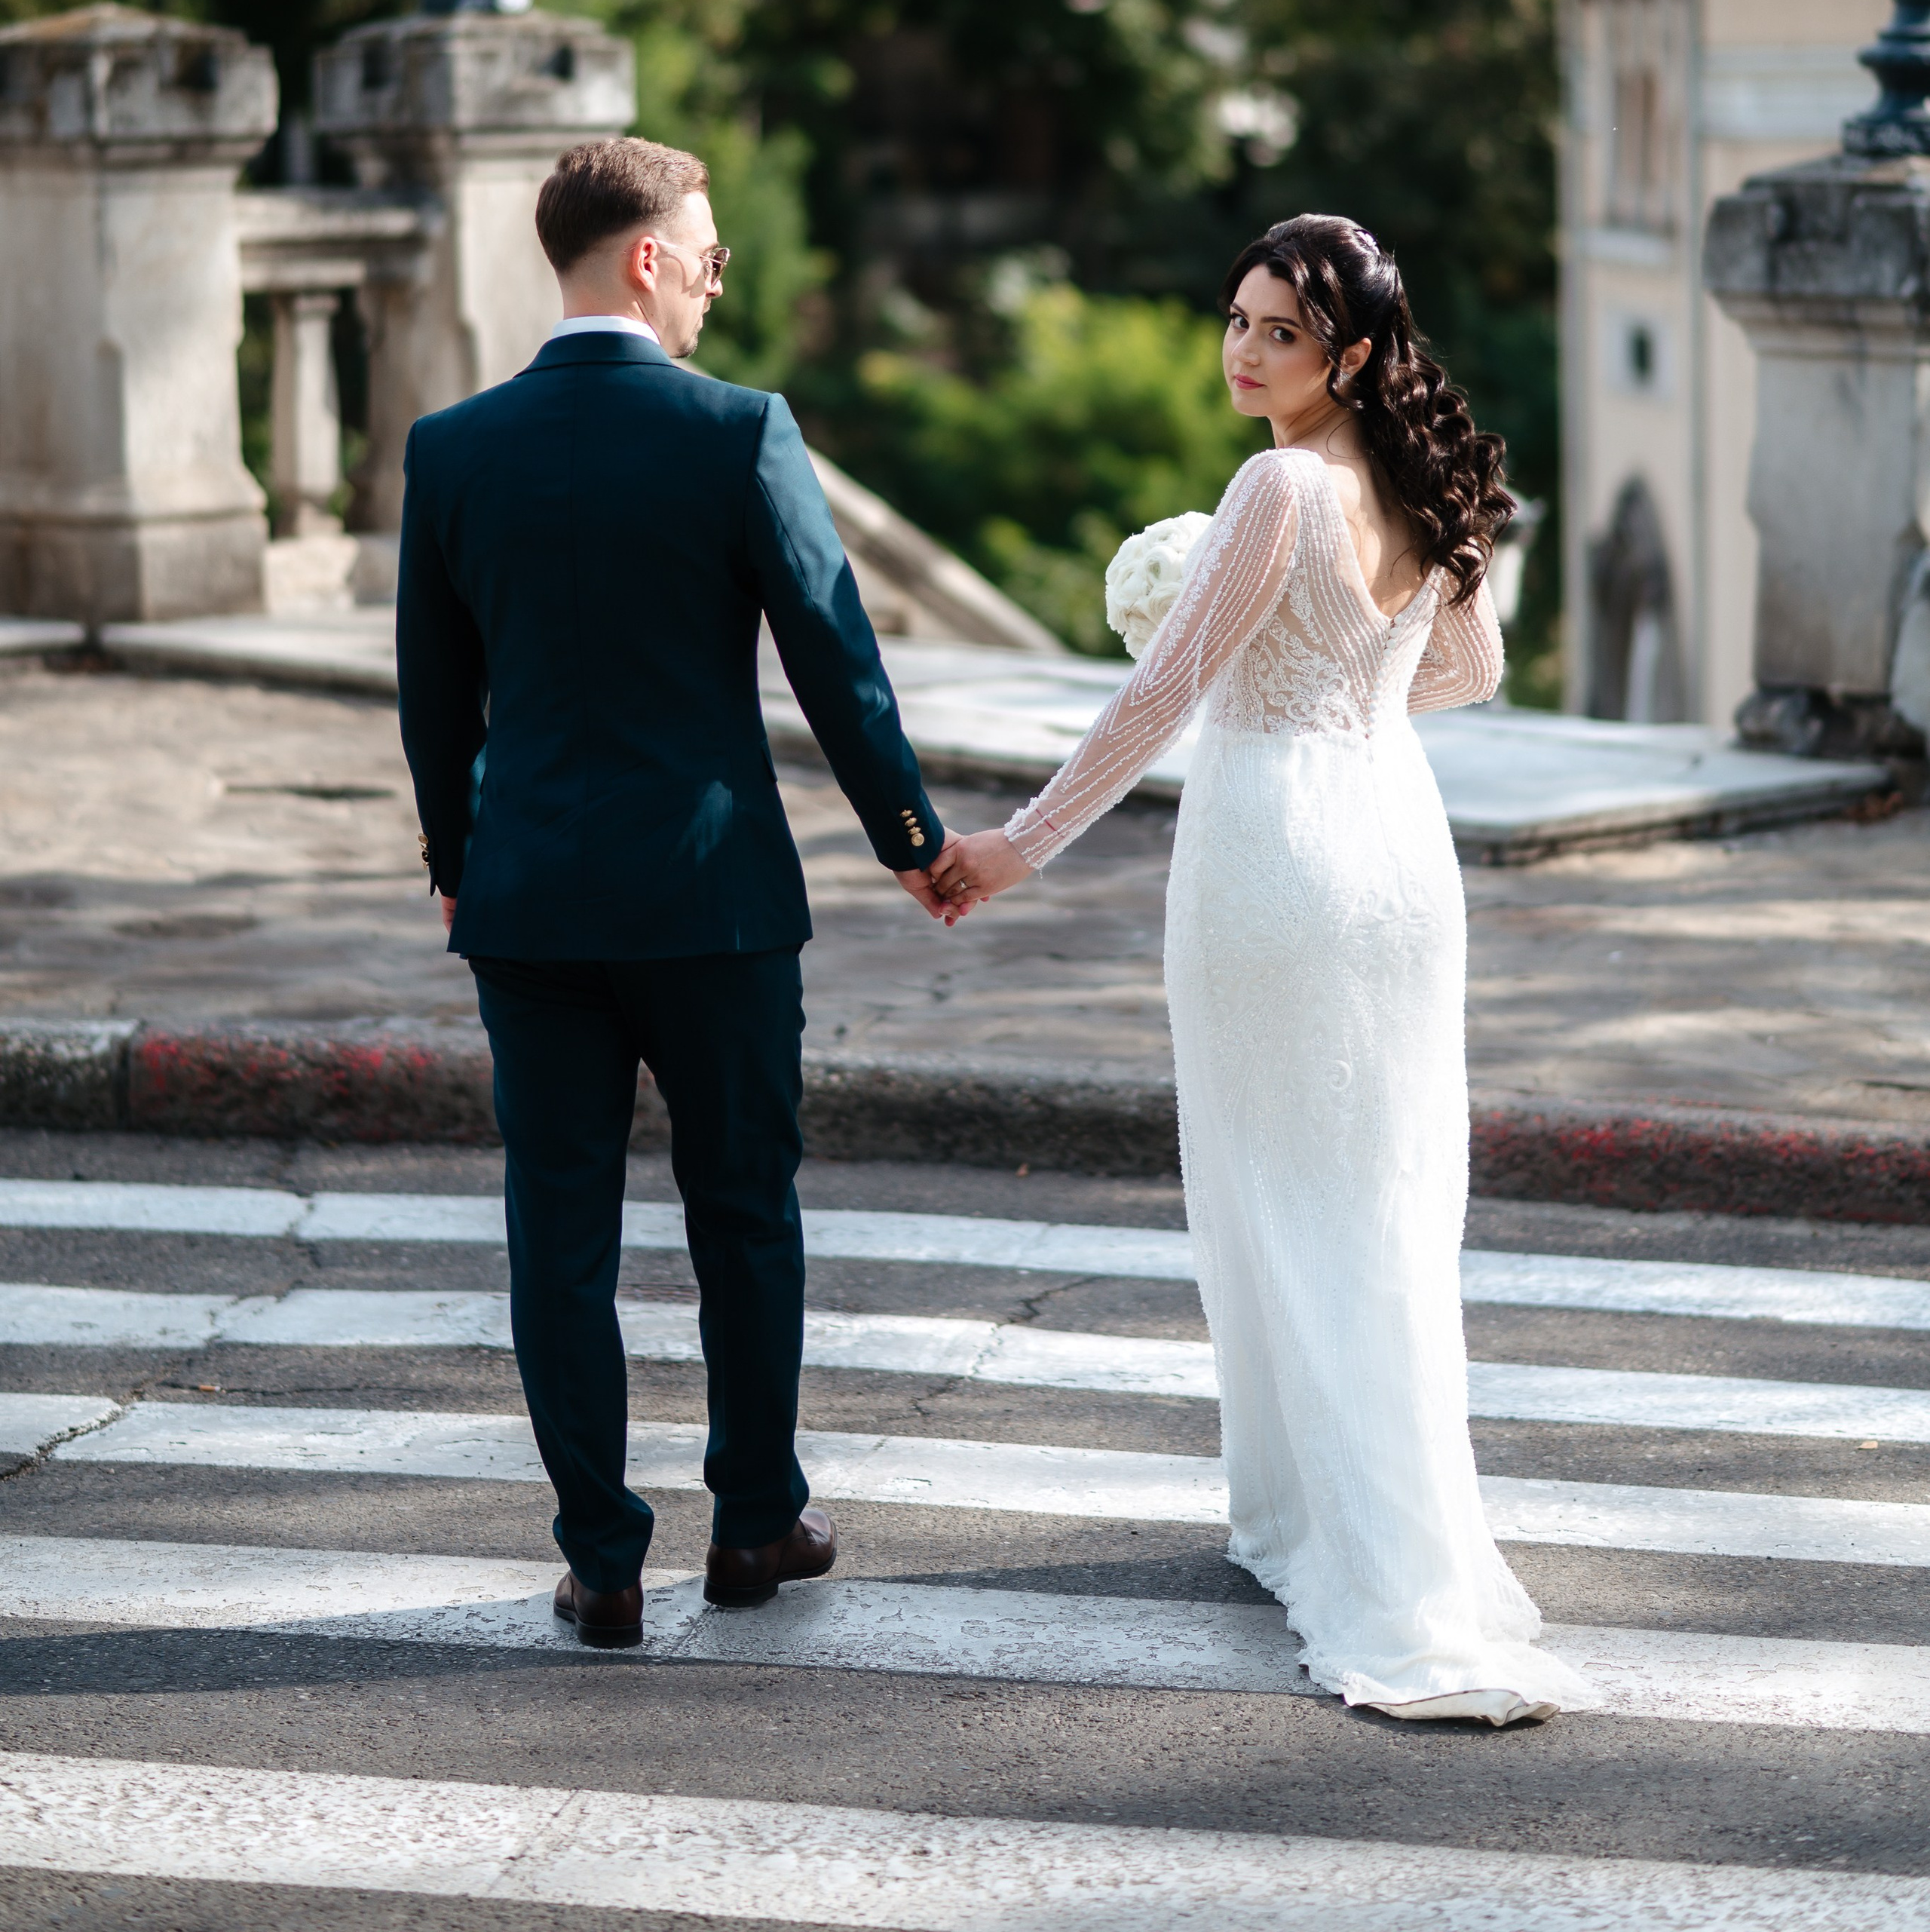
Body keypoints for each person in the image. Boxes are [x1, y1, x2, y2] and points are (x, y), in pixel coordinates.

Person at [929, 215, 1579, 1726]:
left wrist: (1020, 844)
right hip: (1392, 839)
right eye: (1232, 321)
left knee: (1282, 1187)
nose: (1240, 351)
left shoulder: (1278, 482)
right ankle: (1338, 1525)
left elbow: (1163, 695)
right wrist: (1341, 678)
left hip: (1277, 844)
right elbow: (1467, 671)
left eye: (1275, 332)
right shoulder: (1416, 481)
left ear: (1343, 354)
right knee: (1380, 1191)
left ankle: (1347, 1551)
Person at [397, 136, 956, 1648]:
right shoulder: (738, 431)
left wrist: (461, 872)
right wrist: (912, 838)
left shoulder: (451, 449)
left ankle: (602, 1559)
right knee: (742, 1215)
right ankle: (756, 1519)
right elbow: (836, 659)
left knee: (555, 1234)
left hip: (528, 908)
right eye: (703, 244)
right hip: (711, 905)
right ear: (643, 257)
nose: (720, 269)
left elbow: (434, 706)